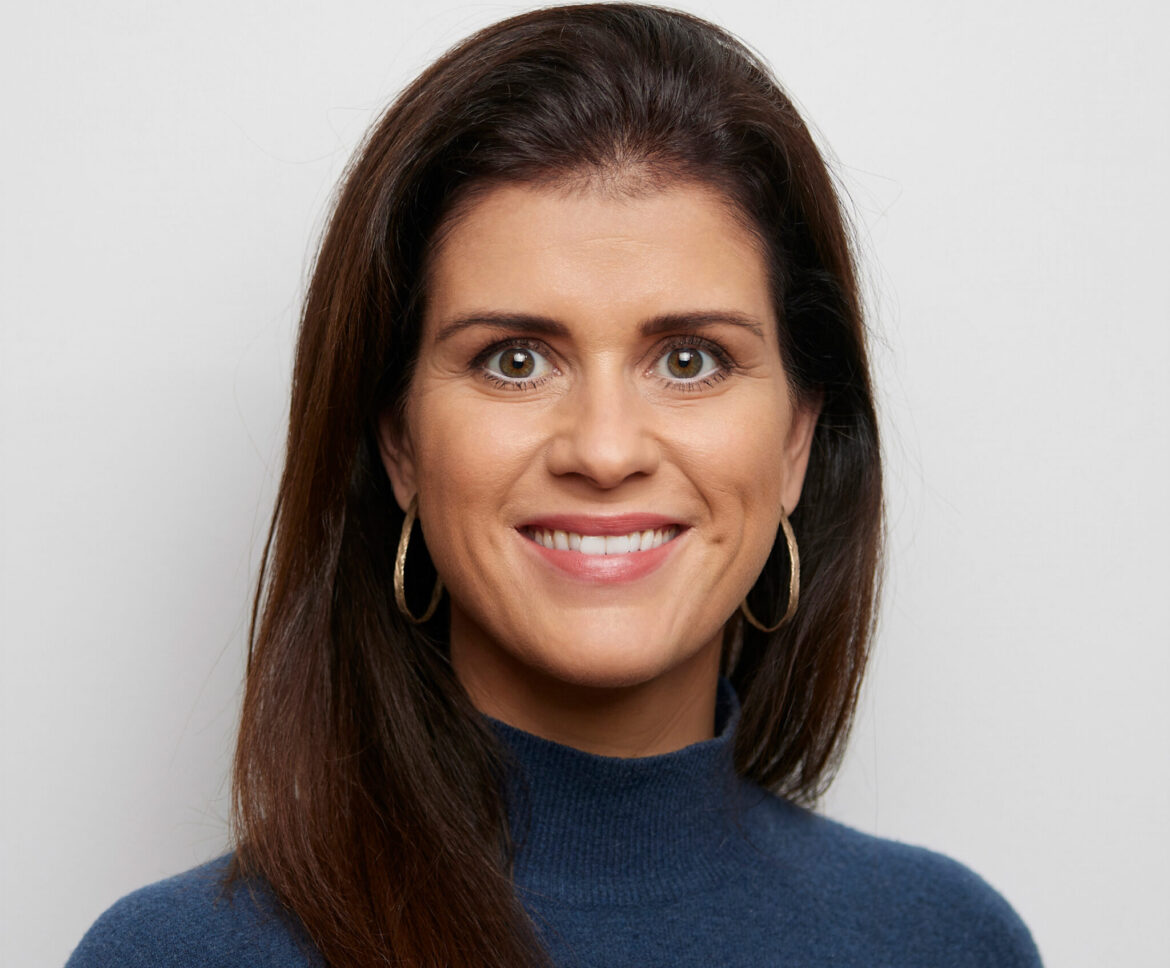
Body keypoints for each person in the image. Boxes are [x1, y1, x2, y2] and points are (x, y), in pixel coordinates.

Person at [66, 4, 1042, 967]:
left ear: (796, 439)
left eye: (691, 359)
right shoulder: (175, 955)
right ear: (400, 442)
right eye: (516, 360)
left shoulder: (949, 943)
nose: (605, 451)